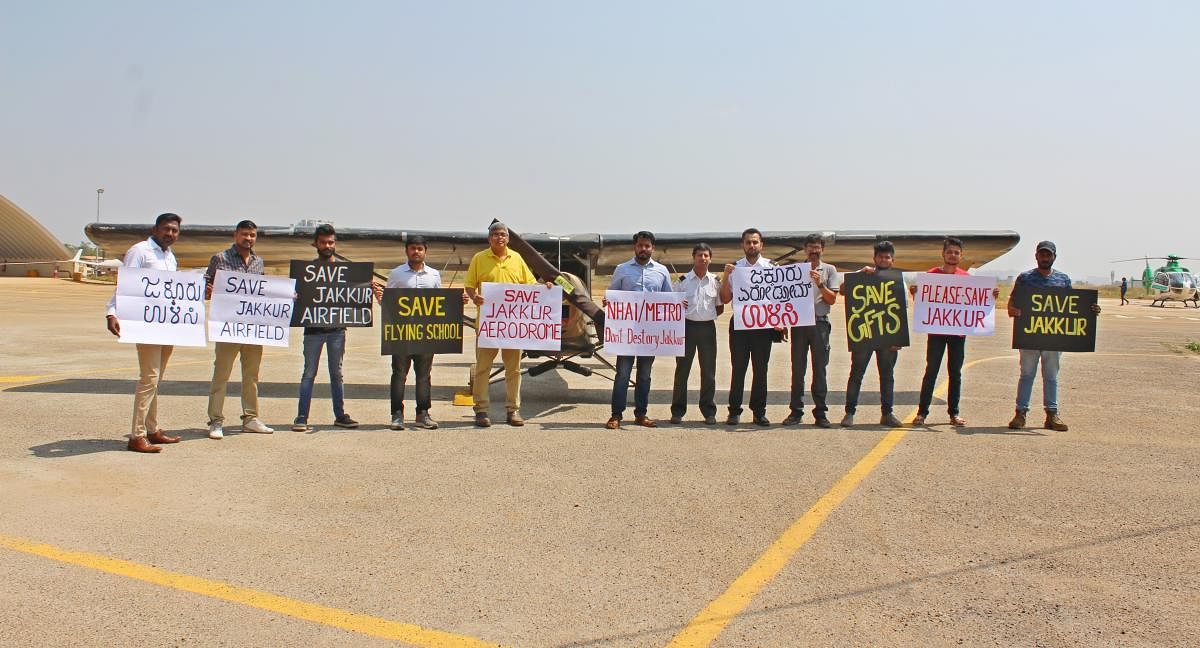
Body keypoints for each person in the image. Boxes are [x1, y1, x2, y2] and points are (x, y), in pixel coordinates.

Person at [105, 213, 185, 453]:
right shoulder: (140, 251)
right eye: (166, 229)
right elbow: (125, 286)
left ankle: (152, 429)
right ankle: (137, 435)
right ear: (156, 229)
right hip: (146, 324)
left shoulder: (171, 257)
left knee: (156, 379)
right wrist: (111, 312)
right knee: (149, 377)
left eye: (174, 231)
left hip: (166, 326)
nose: (170, 234)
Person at [1006, 240, 1101, 431]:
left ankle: (1052, 414)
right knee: (1026, 375)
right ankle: (1020, 413)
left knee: (1051, 376)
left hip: (1054, 337)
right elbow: (1012, 305)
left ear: (1054, 257)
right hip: (1029, 336)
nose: (1045, 257)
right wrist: (1013, 311)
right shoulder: (1024, 278)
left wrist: (1091, 310)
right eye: (1042, 254)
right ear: (1036, 256)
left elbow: (1072, 307)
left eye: (1048, 254)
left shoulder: (1063, 280)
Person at [464, 222, 549, 427]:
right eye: (495, 234)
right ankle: (481, 410)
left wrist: (545, 286)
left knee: (514, 369)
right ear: (489, 238)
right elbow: (469, 286)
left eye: (503, 234)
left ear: (508, 238)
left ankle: (513, 410)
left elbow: (530, 286)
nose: (499, 237)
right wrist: (475, 297)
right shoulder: (479, 258)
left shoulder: (517, 258)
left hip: (513, 326)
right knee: (483, 368)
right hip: (488, 325)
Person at [910, 236, 999, 427]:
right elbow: (923, 302)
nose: (952, 255)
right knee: (931, 371)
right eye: (949, 251)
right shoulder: (931, 275)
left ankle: (954, 413)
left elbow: (977, 303)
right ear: (943, 254)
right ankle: (922, 412)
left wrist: (991, 296)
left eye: (956, 252)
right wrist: (916, 293)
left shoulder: (966, 278)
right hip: (936, 332)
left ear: (961, 256)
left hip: (958, 333)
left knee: (955, 372)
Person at [383, 236, 468, 430]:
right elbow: (389, 304)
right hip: (402, 333)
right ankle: (397, 414)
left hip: (426, 334)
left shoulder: (434, 275)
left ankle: (423, 413)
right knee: (399, 374)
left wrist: (457, 301)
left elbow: (440, 302)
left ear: (425, 251)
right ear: (407, 251)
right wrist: (381, 299)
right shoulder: (396, 274)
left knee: (424, 375)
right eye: (412, 248)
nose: (416, 252)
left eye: (419, 248)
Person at [203, 220, 275, 439]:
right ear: (236, 235)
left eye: (252, 235)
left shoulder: (258, 262)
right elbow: (206, 285)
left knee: (251, 375)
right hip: (228, 327)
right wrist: (207, 290)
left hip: (252, 328)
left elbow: (262, 291)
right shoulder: (220, 258)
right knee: (221, 374)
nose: (248, 239)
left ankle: (250, 418)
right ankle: (216, 420)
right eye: (244, 234)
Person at [603, 231, 673, 429]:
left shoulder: (662, 271)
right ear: (635, 247)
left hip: (649, 334)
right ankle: (616, 415)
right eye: (640, 245)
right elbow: (614, 294)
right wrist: (609, 300)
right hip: (626, 333)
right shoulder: (621, 269)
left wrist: (678, 304)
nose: (644, 249)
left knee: (644, 375)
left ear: (652, 248)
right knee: (622, 374)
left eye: (647, 246)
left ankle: (641, 414)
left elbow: (668, 299)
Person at [292, 224, 359, 432]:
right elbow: (297, 297)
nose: (327, 245)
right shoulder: (307, 271)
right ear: (316, 244)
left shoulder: (345, 271)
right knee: (308, 373)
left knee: (336, 373)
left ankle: (340, 415)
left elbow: (354, 297)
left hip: (337, 331)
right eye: (323, 242)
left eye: (330, 242)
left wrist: (367, 288)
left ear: (335, 243)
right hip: (313, 331)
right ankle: (301, 416)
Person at [841, 241, 904, 428]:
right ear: (874, 258)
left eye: (887, 257)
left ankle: (887, 413)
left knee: (887, 375)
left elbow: (900, 312)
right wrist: (859, 274)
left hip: (888, 336)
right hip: (865, 333)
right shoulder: (865, 275)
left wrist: (898, 338)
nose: (884, 260)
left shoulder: (897, 280)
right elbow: (843, 291)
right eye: (880, 257)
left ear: (892, 260)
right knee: (856, 374)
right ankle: (849, 413)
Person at [719, 228, 776, 426]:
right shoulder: (735, 268)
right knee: (738, 368)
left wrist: (779, 322)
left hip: (764, 326)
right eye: (748, 242)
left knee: (761, 370)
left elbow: (780, 298)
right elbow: (725, 298)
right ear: (743, 245)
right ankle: (734, 411)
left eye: (755, 242)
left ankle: (759, 412)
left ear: (761, 244)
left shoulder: (772, 267)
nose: (752, 246)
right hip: (740, 325)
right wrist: (726, 276)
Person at [782, 233, 839, 428]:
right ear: (805, 250)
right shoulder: (795, 270)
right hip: (799, 324)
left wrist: (819, 283)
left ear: (822, 250)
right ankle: (796, 412)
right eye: (810, 248)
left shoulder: (830, 270)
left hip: (820, 323)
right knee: (797, 370)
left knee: (820, 369)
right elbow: (784, 298)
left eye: (817, 248)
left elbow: (831, 299)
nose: (814, 251)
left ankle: (821, 413)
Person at [670, 243, 723, 425]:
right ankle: (677, 411)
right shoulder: (682, 281)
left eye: (706, 255)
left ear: (710, 258)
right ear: (693, 257)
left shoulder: (716, 281)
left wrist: (706, 317)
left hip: (708, 329)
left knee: (708, 372)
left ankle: (708, 411)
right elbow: (671, 304)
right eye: (699, 255)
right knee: (682, 371)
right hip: (686, 328)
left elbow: (720, 307)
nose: (703, 258)